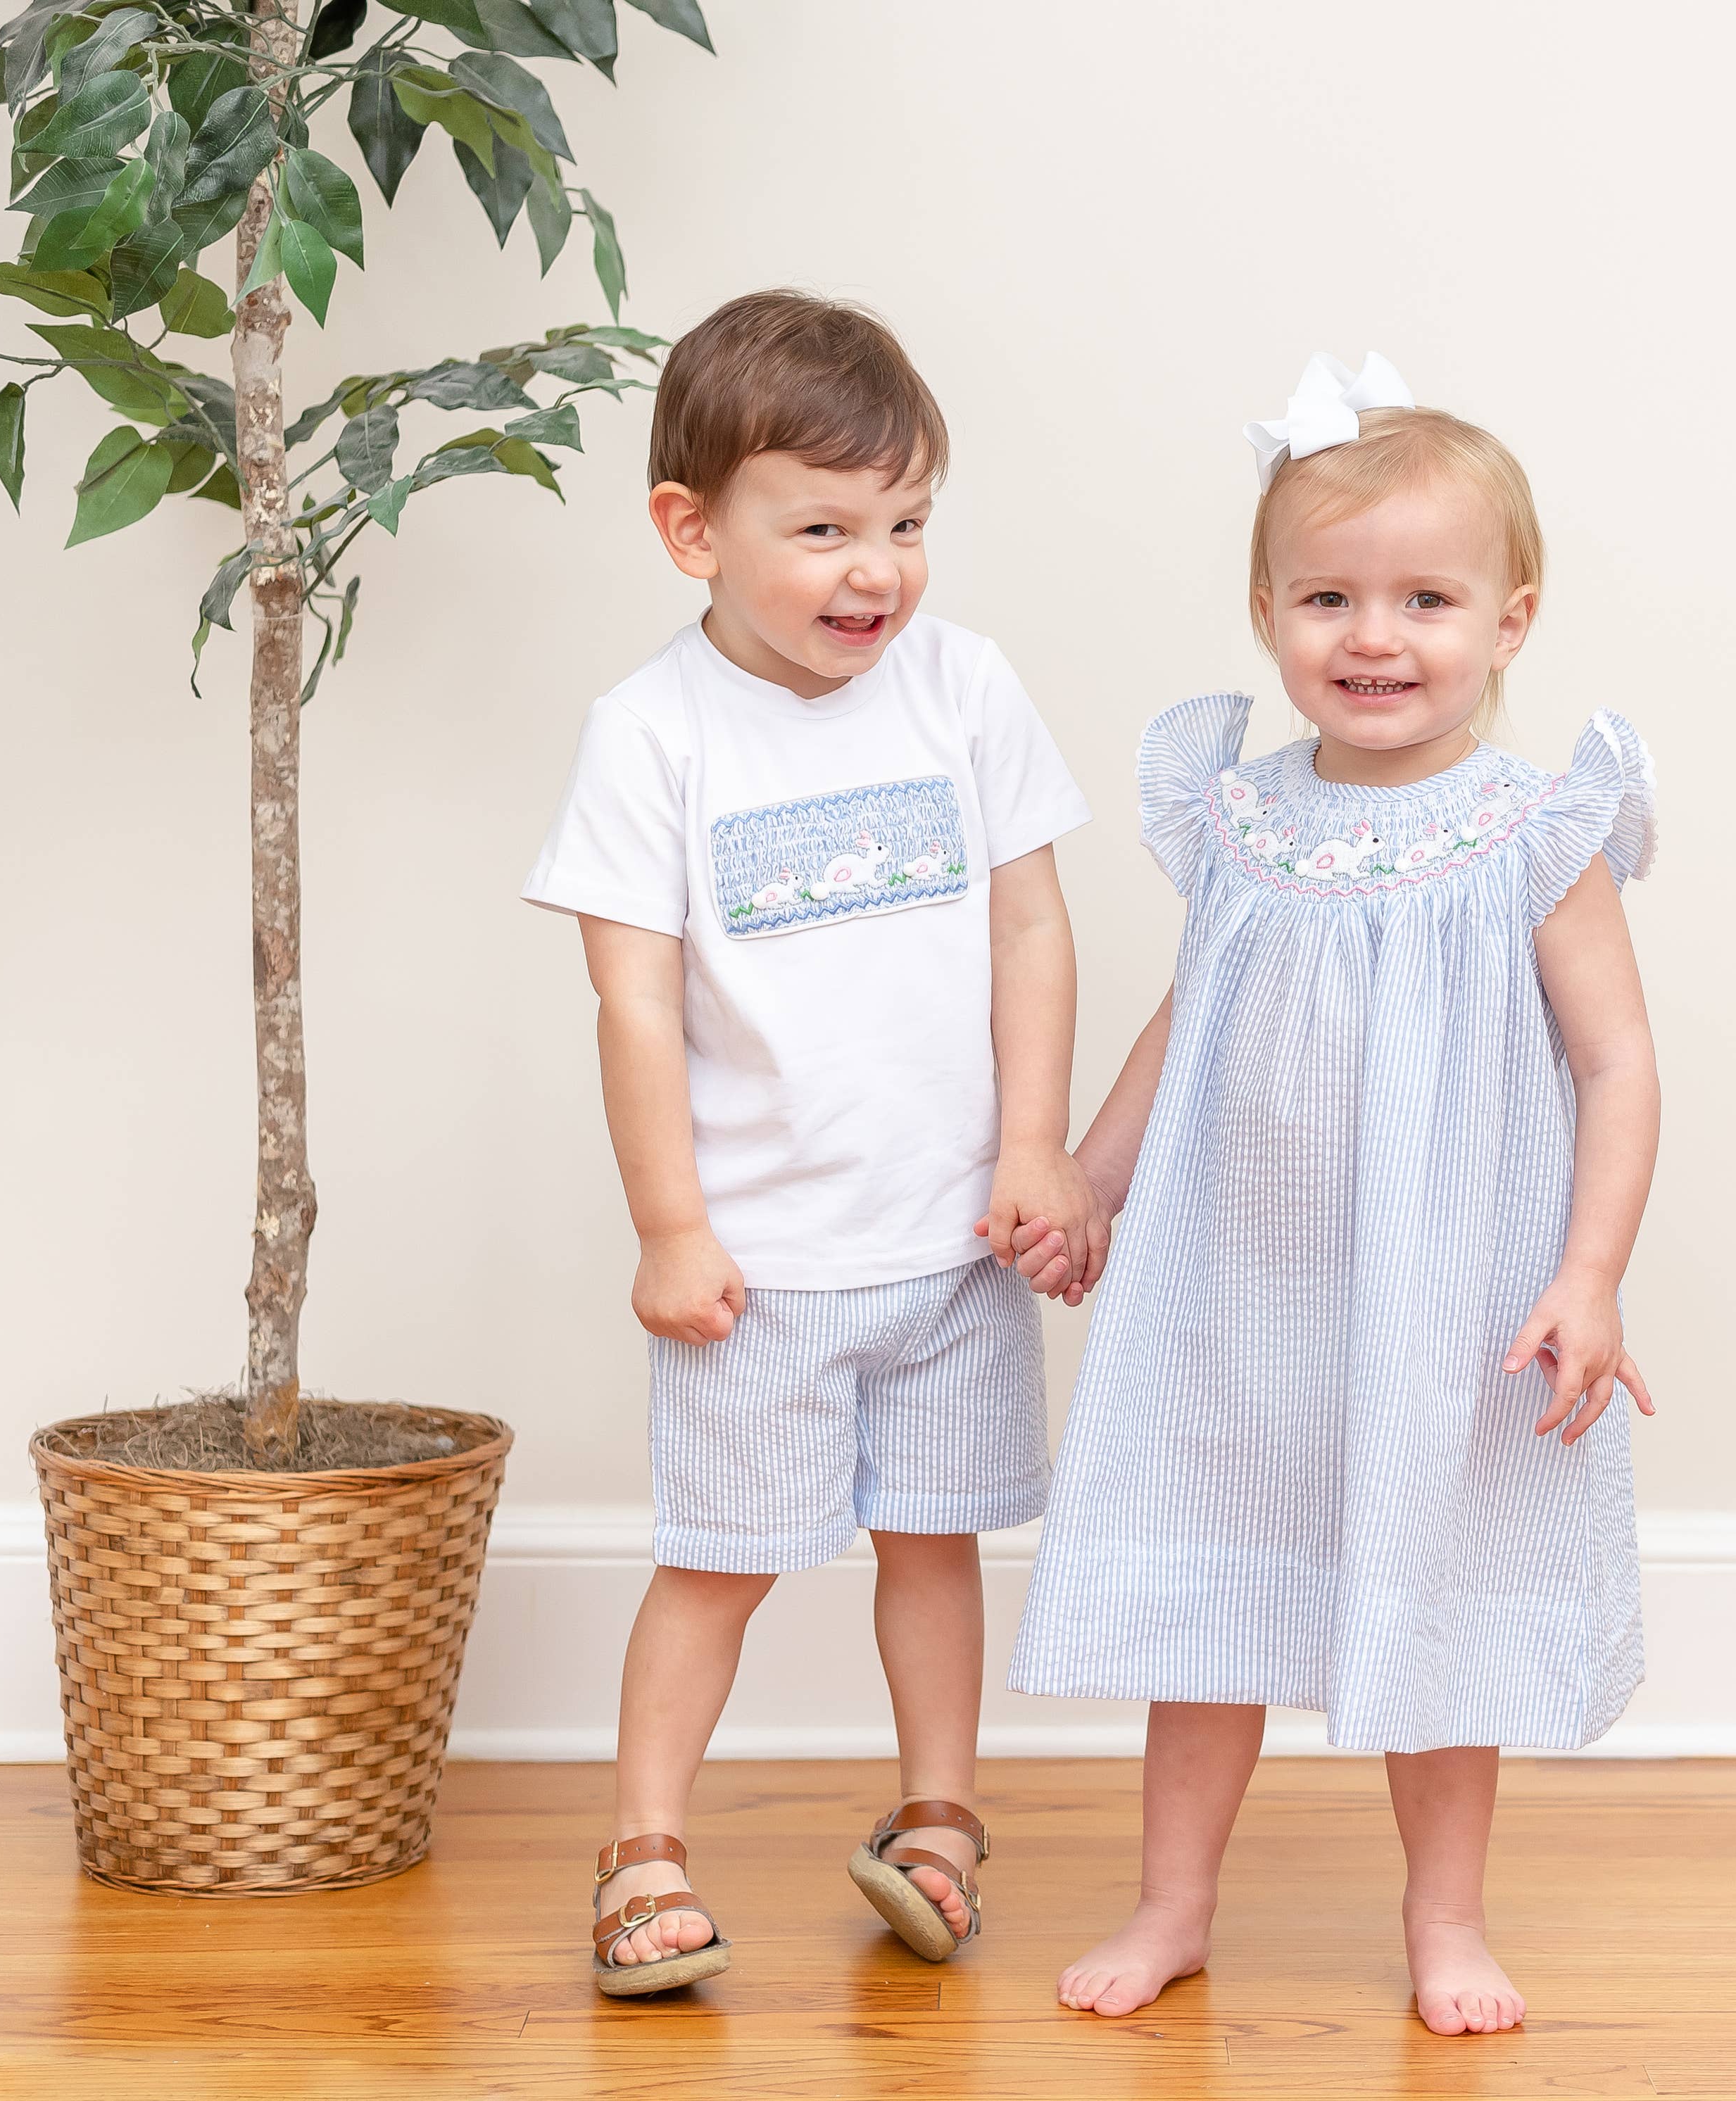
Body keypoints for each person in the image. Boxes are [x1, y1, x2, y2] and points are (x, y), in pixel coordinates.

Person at [1007, 353, 1663, 2036]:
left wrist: (1589, 1272)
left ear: (1511, 619)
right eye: (1329, 597)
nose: (1374, 637)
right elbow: (1191, 1012)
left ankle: (1444, 1917)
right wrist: (1090, 1171)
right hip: (1242, 1280)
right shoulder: (1240, 813)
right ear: (1266, 610)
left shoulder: (1533, 826)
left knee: (1433, 1595)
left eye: (1425, 598)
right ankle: (1175, 1901)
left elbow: (1617, 1064)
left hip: (1448, 1284)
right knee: (1212, 1604)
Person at [522, 290, 1095, 1995]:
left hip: (946, 1240)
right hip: (759, 1262)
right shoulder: (655, 734)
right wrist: (670, 1225)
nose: (878, 572)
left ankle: (940, 1818)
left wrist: (1038, 1148)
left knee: (937, 1542)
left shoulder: (963, 686)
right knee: (715, 1564)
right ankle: (643, 1847)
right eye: (826, 528)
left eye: (908, 524)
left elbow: (1030, 934)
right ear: (691, 530)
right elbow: (632, 1002)